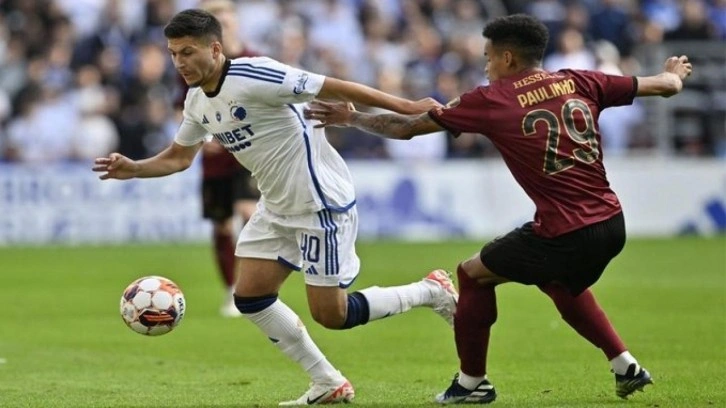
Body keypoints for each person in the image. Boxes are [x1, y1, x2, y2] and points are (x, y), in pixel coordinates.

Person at [304, 14, 692, 405]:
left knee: (472, 274)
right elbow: (666, 86)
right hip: (611, 222)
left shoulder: (492, 99)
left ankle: (472, 383)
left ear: (508, 58)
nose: (486, 66)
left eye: (488, 57)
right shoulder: (581, 80)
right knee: (558, 282)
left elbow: (404, 129)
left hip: (565, 230)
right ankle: (626, 366)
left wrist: (352, 117)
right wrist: (674, 73)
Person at [92, 9, 457, 406]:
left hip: (318, 202)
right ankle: (327, 381)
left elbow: (332, 85)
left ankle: (429, 291)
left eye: (188, 52)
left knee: (331, 315)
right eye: (173, 54)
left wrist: (407, 105)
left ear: (215, 49)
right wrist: (135, 168)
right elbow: (179, 157)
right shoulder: (196, 101)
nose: (179, 62)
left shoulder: (255, 74)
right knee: (250, 296)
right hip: (277, 206)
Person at [187, 0, 261, 317]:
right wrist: (203, 137)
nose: (222, 21)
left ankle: (250, 287)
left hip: (247, 155)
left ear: (235, 21)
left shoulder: (254, 60)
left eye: (225, 15)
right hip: (215, 159)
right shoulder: (195, 64)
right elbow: (185, 106)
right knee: (222, 226)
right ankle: (231, 288)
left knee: (249, 214)